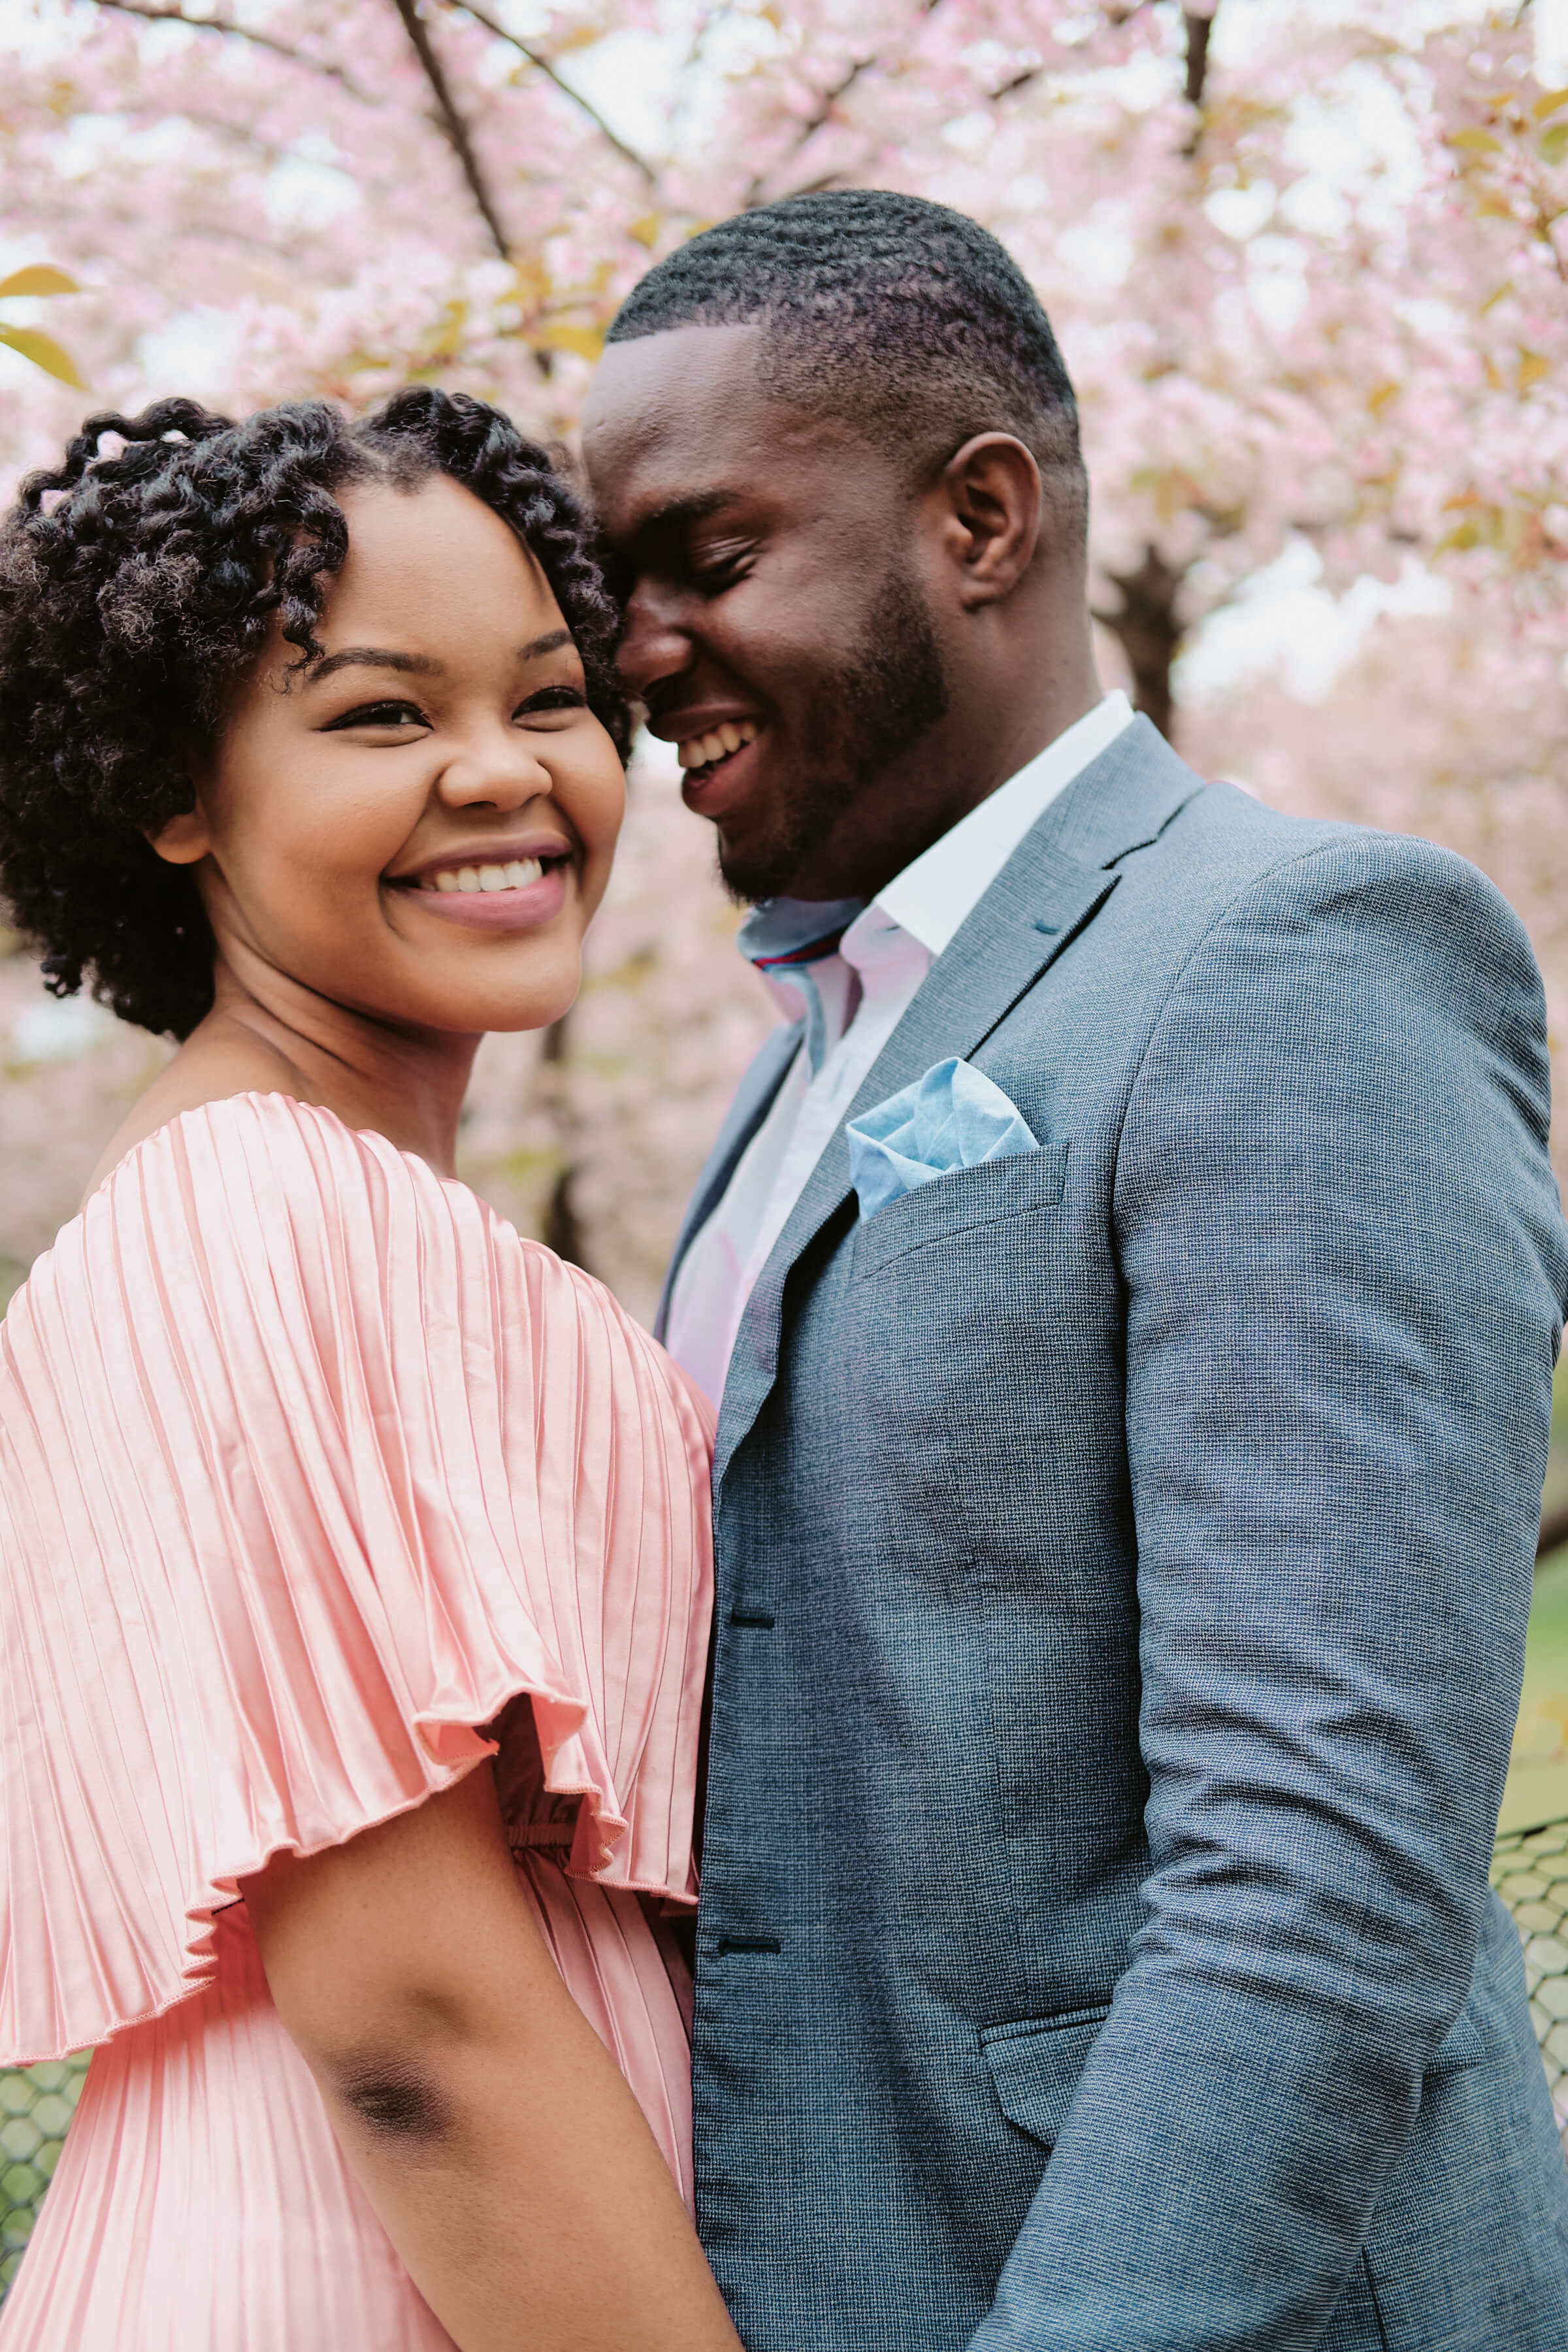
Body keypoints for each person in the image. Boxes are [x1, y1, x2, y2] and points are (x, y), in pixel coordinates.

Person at [581, 190, 1568, 2351]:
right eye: (610, 589)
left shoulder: (1297, 959)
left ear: (986, 517)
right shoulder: (802, 1063)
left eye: (709, 561)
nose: (631, 654)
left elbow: (1318, 1878)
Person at [0, 389, 743, 2352]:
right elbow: (414, 2024)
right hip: (343, 2278)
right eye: (382, 715)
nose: (503, 775)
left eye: (552, 697)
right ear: (177, 794)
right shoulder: (243, 1211)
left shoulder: (356, 1209)